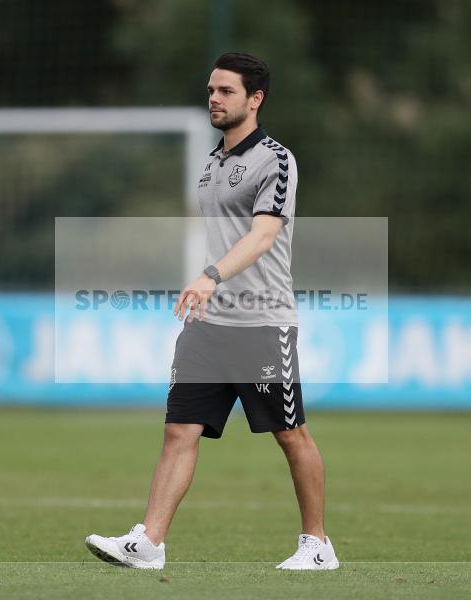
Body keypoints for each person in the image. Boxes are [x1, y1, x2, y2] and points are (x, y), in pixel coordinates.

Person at [85, 52, 337, 571]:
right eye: (210, 91)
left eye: (225, 91)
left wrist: (212, 276)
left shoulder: (276, 159)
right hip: (209, 326)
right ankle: (150, 542)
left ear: (255, 98)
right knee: (180, 430)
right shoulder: (211, 163)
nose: (214, 100)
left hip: (262, 322)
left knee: (291, 435)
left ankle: (317, 545)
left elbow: (264, 235)